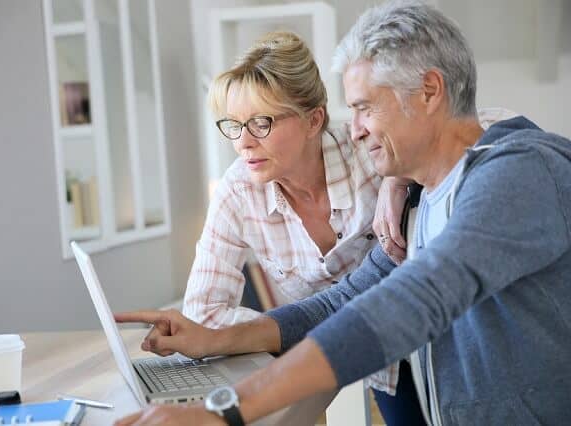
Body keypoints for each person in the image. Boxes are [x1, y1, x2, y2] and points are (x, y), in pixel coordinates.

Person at [116, 2, 571, 425]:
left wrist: (225, 412)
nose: (352, 132)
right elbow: (341, 302)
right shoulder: (425, 197)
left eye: (364, 108)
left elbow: (416, 297)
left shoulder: (518, 171)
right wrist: (215, 338)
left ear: (429, 91)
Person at [180, 31, 421, 422]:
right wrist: (276, 330)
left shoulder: (367, 148)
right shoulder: (238, 190)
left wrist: (398, 175)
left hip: (417, 337)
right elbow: (202, 314)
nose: (243, 142)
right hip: (322, 339)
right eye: (233, 125)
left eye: (261, 123)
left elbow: (478, 127)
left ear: (314, 120)